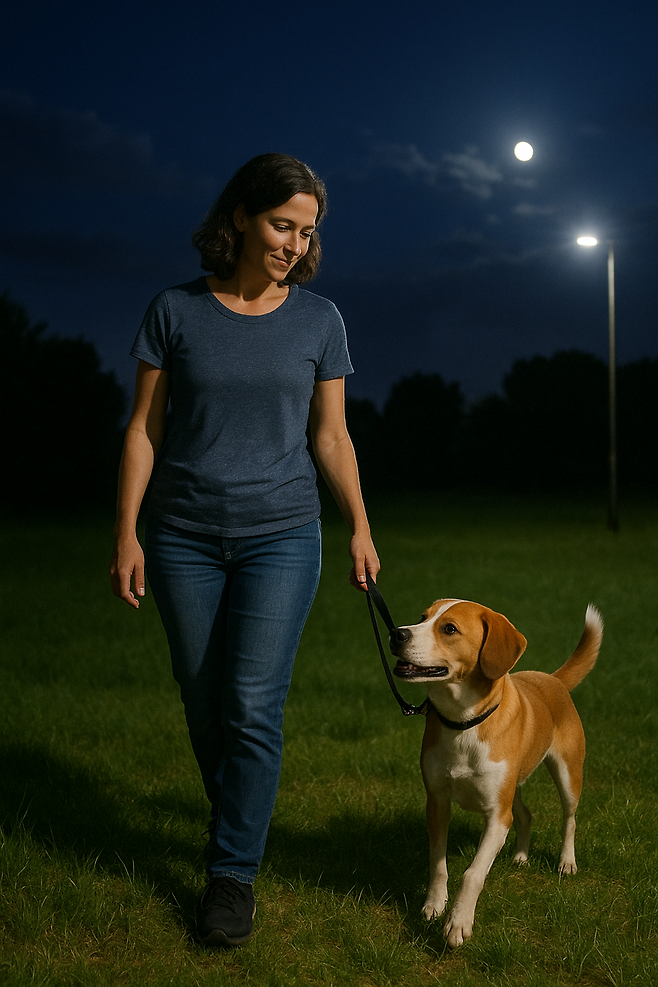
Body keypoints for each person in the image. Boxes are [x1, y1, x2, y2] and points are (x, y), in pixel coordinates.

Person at [109, 152, 379, 948]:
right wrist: (126, 530)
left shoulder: (320, 321)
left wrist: (359, 525)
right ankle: (237, 815)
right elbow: (143, 429)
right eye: (282, 225)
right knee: (204, 703)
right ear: (240, 218)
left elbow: (331, 436)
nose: (295, 244)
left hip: (282, 534)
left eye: (308, 232)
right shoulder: (175, 311)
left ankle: (232, 873)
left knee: (253, 704)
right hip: (183, 534)